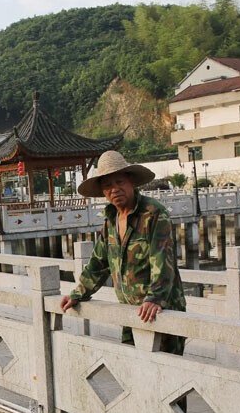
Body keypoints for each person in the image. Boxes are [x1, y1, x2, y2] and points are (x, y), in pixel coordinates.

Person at [59, 150, 186, 354]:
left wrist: (155, 298)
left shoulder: (153, 214)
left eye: (119, 182)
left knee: (165, 376)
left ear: (131, 181)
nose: (114, 189)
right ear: (102, 191)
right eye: (108, 185)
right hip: (130, 313)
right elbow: (98, 264)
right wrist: (78, 293)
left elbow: (162, 260)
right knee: (134, 375)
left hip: (160, 310)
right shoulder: (110, 220)